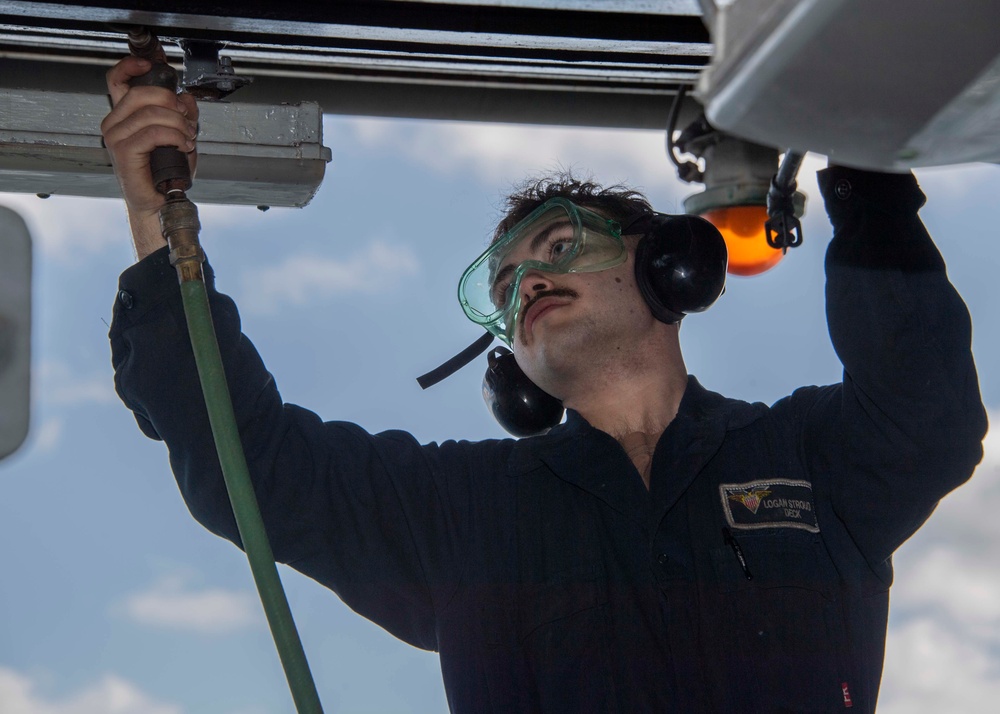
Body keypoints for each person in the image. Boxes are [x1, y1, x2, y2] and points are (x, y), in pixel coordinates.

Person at [102, 56, 987, 713]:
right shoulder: (462, 508)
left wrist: (859, 146)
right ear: (509, 368)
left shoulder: (811, 459)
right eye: (503, 286)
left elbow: (926, 406)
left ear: (671, 269)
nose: (525, 284)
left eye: (558, 249)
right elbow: (247, 458)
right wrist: (153, 213)